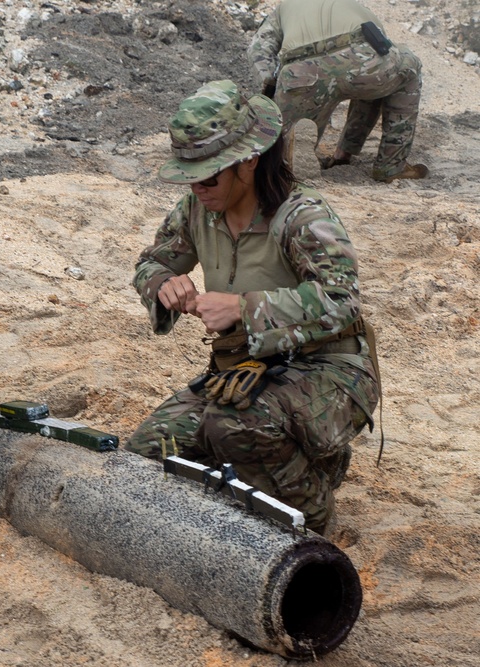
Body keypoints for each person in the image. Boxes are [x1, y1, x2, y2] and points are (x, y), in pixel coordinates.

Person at [126, 80, 380, 535]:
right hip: (246, 369)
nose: (197, 186)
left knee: (234, 427)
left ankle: (313, 517)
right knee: (150, 452)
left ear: (246, 163)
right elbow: (152, 262)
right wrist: (164, 284)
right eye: (189, 173)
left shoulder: (302, 216)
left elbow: (342, 302)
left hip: (330, 369)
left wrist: (245, 308)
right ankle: (308, 458)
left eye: (208, 175)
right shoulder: (196, 209)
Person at [248, 0, 428, 183]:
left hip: (302, 70)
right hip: (362, 62)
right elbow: (384, 49)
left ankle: (285, 161)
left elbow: (258, 51)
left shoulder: (282, 10)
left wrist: (273, 90)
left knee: (281, 147)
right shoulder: (353, 7)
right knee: (406, 68)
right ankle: (384, 165)